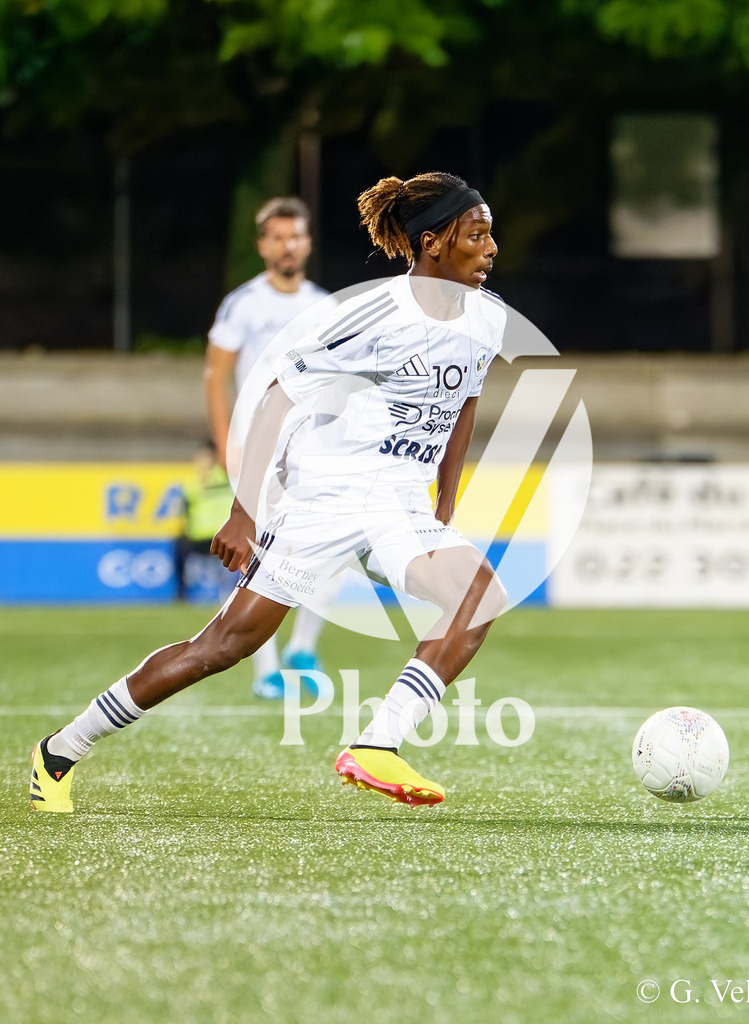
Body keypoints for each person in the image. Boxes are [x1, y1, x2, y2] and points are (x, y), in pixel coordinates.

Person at [29, 170, 507, 814]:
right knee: (223, 647)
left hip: (397, 500)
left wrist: (445, 501)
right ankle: (61, 748)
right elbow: (278, 396)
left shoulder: (487, 318)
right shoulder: (374, 313)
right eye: (476, 235)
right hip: (326, 493)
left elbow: (464, 404)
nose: (490, 247)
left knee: (478, 595)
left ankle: (377, 743)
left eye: (490, 234)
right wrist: (243, 508)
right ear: (431, 243)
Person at [205, 196, 333, 698]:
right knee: (255, 551)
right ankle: (266, 672)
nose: (287, 246)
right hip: (255, 446)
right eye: (278, 237)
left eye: (295, 236)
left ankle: (303, 647)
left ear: (308, 242)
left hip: (312, 446)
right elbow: (215, 376)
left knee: (330, 544)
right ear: (262, 245)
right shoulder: (244, 303)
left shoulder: (326, 306)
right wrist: (225, 444)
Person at [174, 439, 235, 601]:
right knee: (177, 546)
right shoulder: (191, 484)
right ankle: (181, 593)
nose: (201, 462)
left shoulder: (226, 478)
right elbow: (185, 511)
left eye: (205, 457)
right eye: (199, 457)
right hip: (198, 536)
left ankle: (230, 593)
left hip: (221, 534)